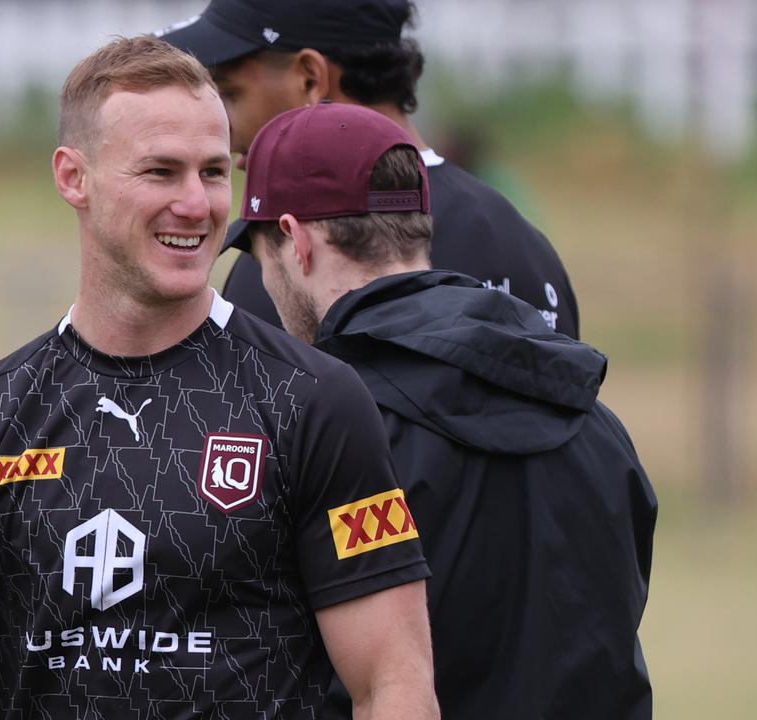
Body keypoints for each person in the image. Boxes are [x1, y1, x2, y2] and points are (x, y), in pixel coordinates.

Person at [0, 37, 437, 720]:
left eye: (214, 173)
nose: (197, 205)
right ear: (74, 177)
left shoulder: (313, 402)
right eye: (161, 172)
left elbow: (392, 683)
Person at [231, 101, 657, 719]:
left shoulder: (329, 430)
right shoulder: (596, 421)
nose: (264, 280)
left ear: (295, 242)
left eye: (259, 255)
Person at [156, 0, 581, 339]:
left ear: (310, 79)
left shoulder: (289, 255)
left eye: (230, 94)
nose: (225, 134)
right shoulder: (524, 245)